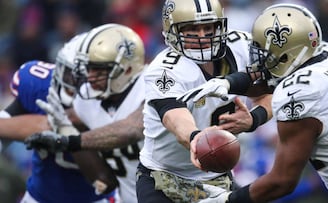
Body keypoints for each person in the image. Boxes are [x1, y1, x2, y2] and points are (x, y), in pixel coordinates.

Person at [194, 3, 328, 203]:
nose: (260, 60)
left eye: (266, 54)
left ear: (286, 53)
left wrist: (228, 200)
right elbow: (270, 79)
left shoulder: (299, 94)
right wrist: (228, 83)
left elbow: (282, 181)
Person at [136, 0, 272, 202]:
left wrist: (254, 119)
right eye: (192, 29)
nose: (202, 37)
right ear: (172, 31)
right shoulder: (164, 69)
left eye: (208, 28)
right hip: (163, 177)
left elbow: (267, 94)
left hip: (215, 177)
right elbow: (175, 117)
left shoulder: (241, 46)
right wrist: (196, 138)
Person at [26, 23, 146, 203]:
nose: (89, 77)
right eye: (89, 68)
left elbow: (131, 129)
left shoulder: (153, 84)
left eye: (99, 69)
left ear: (127, 69)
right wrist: (67, 128)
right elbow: (104, 180)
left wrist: (69, 141)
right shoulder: (85, 103)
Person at [0, 32, 119, 202]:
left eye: (84, 78)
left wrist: (66, 131)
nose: (74, 84)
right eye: (70, 74)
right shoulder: (40, 85)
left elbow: (103, 179)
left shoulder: (117, 110)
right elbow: (5, 123)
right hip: (38, 197)